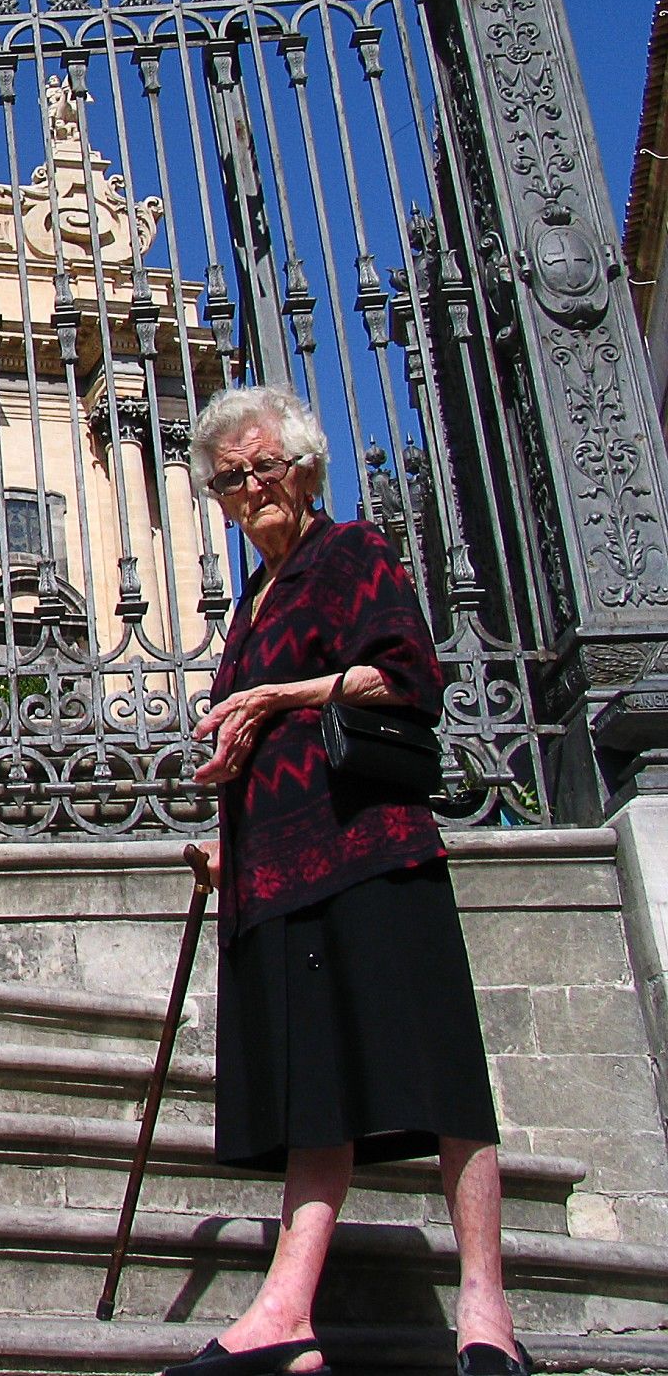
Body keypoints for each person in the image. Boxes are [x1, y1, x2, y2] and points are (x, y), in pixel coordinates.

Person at [160, 385, 522, 1376]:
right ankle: (287, 1315)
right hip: (277, 866)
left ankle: (486, 1309)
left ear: (308, 468)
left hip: (374, 844)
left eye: (262, 466)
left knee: (442, 1075)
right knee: (315, 1094)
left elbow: (403, 671)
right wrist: (227, 838)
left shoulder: (352, 554)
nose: (247, 488)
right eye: (229, 477)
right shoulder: (254, 603)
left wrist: (280, 691)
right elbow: (260, 732)